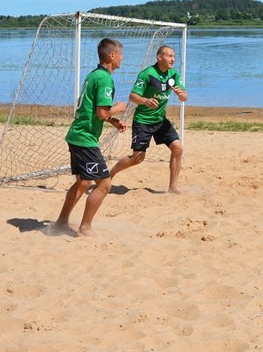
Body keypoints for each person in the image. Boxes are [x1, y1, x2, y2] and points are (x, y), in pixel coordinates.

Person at [53, 38, 127, 237]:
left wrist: (113, 121)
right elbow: (102, 112)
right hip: (84, 139)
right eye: (120, 53)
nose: (123, 57)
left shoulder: (94, 75)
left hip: (76, 135)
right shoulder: (104, 79)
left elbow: (96, 111)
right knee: (104, 183)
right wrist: (119, 108)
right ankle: (85, 227)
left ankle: (60, 222)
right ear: (112, 55)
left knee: (83, 182)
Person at [110, 45, 188, 194]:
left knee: (178, 149)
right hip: (143, 121)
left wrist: (180, 94)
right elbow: (132, 96)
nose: (172, 59)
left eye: (174, 56)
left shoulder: (174, 74)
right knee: (137, 158)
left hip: (160, 120)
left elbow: (185, 96)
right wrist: (145, 101)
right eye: (169, 56)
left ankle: (173, 187)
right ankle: (110, 174)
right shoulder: (147, 74)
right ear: (160, 57)